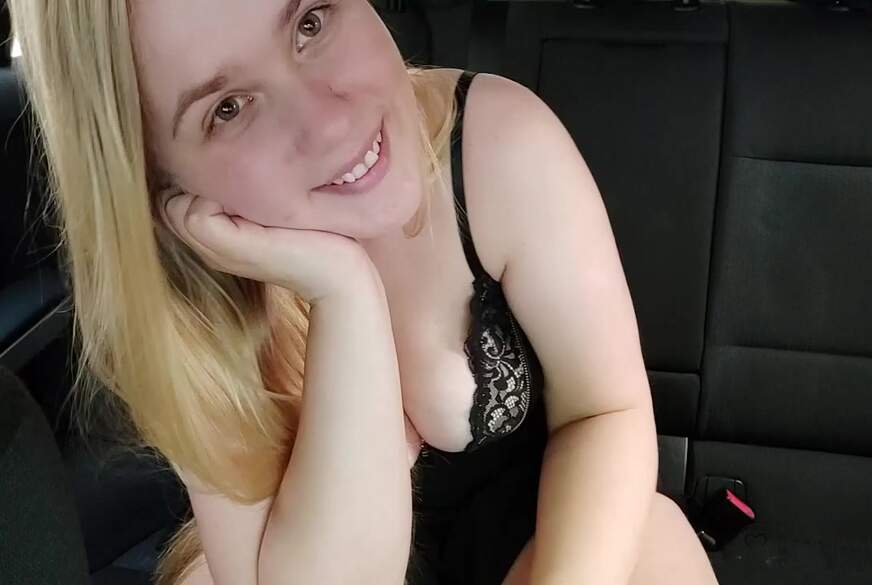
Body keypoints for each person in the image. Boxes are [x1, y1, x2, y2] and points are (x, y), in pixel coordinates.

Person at [8, 1, 720, 584]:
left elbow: (606, 410)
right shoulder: (190, 310)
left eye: (311, 21)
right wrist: (344, 294)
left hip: (551, 537)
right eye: (229, 108)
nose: (328, 122)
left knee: (652, 544)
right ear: (157, 176)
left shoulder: (501, 146)